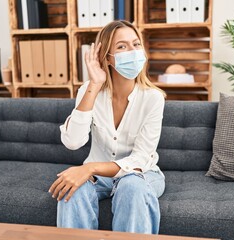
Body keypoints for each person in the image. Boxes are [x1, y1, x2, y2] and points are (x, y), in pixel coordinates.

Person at [48, 20, 166, 234]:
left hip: (142, 174)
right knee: (72, 189)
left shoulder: (153, 98)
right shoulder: (89, 90)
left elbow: (139, 159)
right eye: (122, 46)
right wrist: (94, 84)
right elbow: (73, 142)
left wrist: (89, 168)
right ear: (107, 58)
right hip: (99, 177)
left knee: (131, 186)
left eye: (136, 44)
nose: (132, 51)